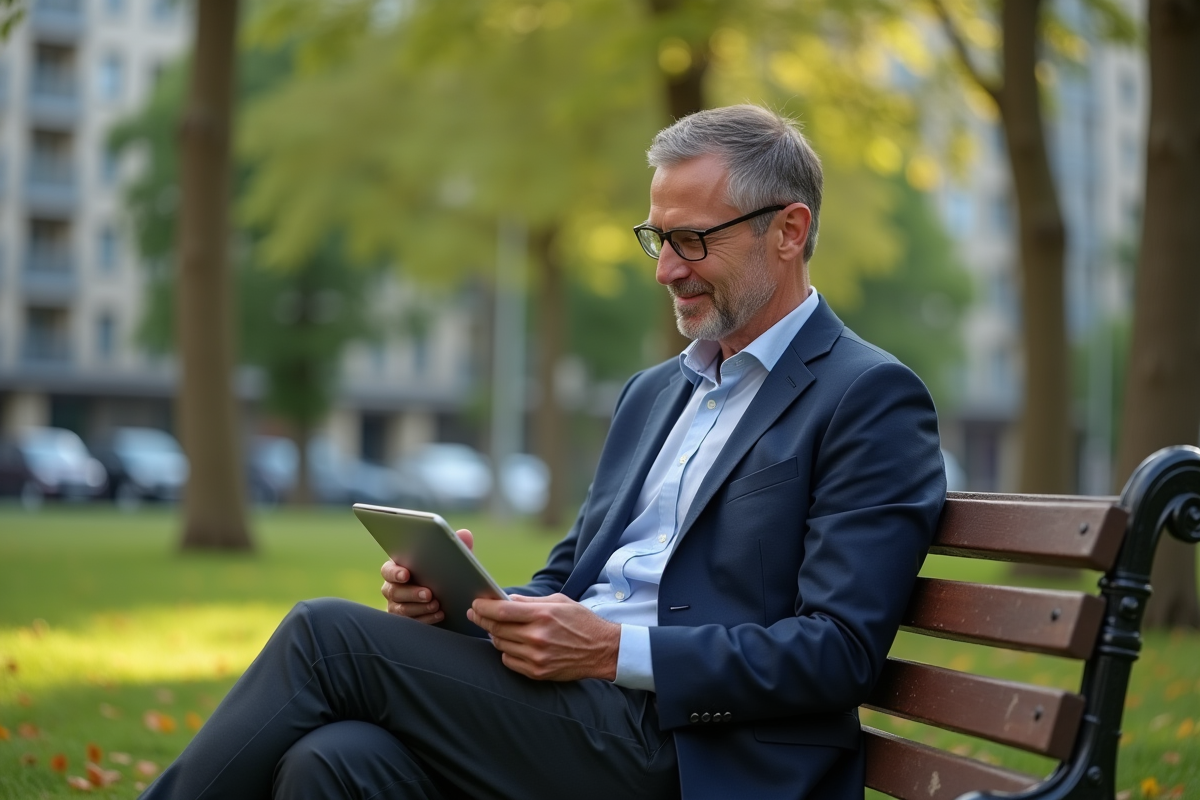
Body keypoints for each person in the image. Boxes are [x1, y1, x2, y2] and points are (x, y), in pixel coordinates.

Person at [141, 104, 945, 800]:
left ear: (789, 232)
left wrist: (614, 651)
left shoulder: (867, 396)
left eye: (692, 241)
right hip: (578, 713)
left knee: (327, 638)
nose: (666, 269)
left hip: (696, 751)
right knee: (337, 762)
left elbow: (839, 653)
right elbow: (570, 581)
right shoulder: (654, 394)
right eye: (656, 239)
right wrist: (470, 607)